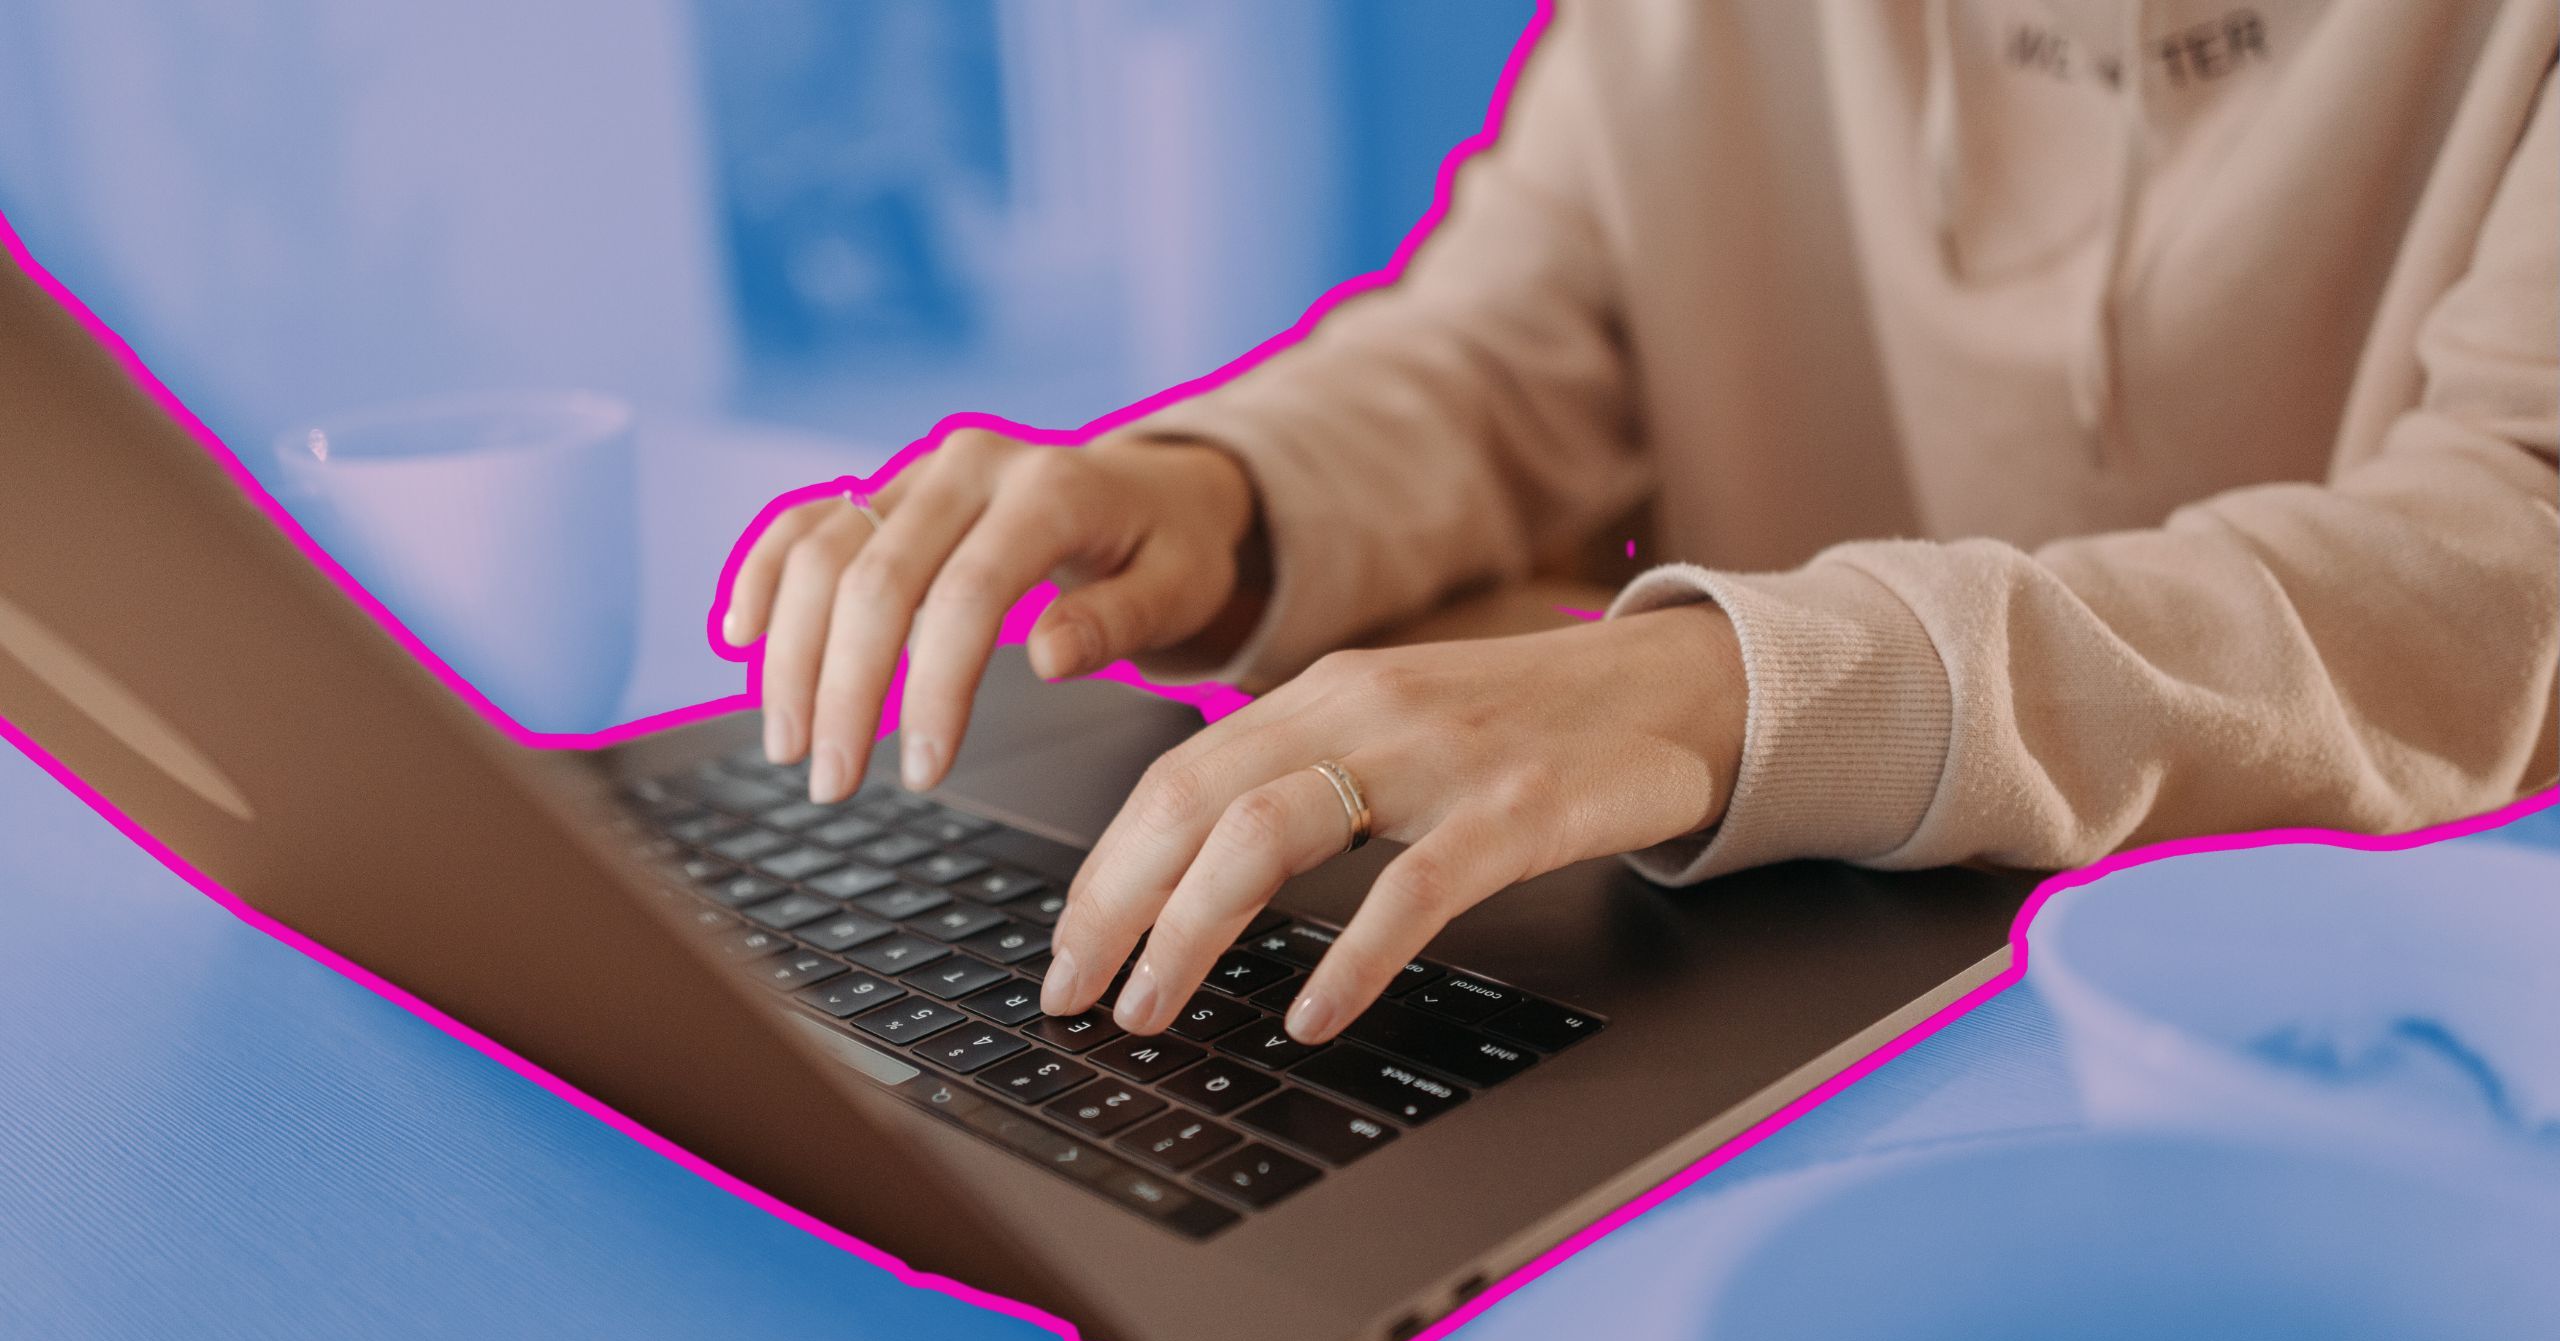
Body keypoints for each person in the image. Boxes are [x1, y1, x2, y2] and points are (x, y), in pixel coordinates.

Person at [718, 0, 2557, 1049]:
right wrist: (1225, 493)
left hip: (2359, 1032)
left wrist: (1717, 691)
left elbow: (2497, 552)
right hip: (1771, 994)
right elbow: (1519, 335)